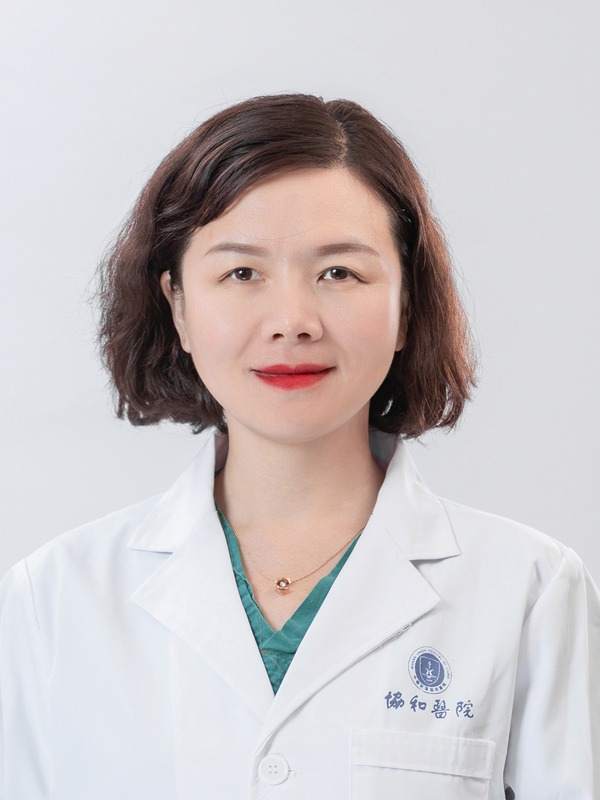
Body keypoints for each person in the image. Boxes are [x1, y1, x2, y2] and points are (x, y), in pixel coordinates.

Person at [0, 94, 598, 799]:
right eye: (241, 273)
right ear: (178, 306)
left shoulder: (530, 590)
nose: (293, 321)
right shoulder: (54, 599)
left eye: (339, 272)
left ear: (406, 306)